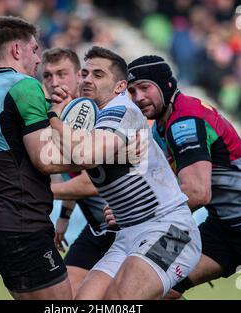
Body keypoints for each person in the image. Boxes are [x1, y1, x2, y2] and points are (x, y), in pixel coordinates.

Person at [123, 54, 241, 300]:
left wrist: (137, 215)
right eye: (132, 90)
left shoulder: (185, 121)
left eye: (144, 88)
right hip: (222, 227)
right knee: (149, 285)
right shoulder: (163, 124)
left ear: (165, 86)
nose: (138, 97)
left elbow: (197, 193)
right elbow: (169, 188)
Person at [47, 46, 202, 299]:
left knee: (119, 301)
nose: (87, 79)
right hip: (127, 234)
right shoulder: (94, 118)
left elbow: (85, 156)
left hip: (172, 231)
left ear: (120, 87)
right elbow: (60, 159)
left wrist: (53, 118)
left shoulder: (122, 112)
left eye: (98, 75)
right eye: (85, 73)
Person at [0, 16, 78, 300]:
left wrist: (52, 111)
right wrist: (94, 158)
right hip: (23, 225)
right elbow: (45, 160)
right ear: (17, 50)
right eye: (34, 50)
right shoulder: (25, 86)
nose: (38, 60)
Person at [41, 47, 116, 297]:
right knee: (68, 291)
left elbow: (93, 183)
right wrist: (64, 215)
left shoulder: (97, 114)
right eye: (48, 76)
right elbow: (74, 172)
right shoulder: (57, 116)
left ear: (78, 76)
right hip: (98, 227)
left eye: (62, 74)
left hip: (126, 225)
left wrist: (39, 192)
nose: (54, 82)